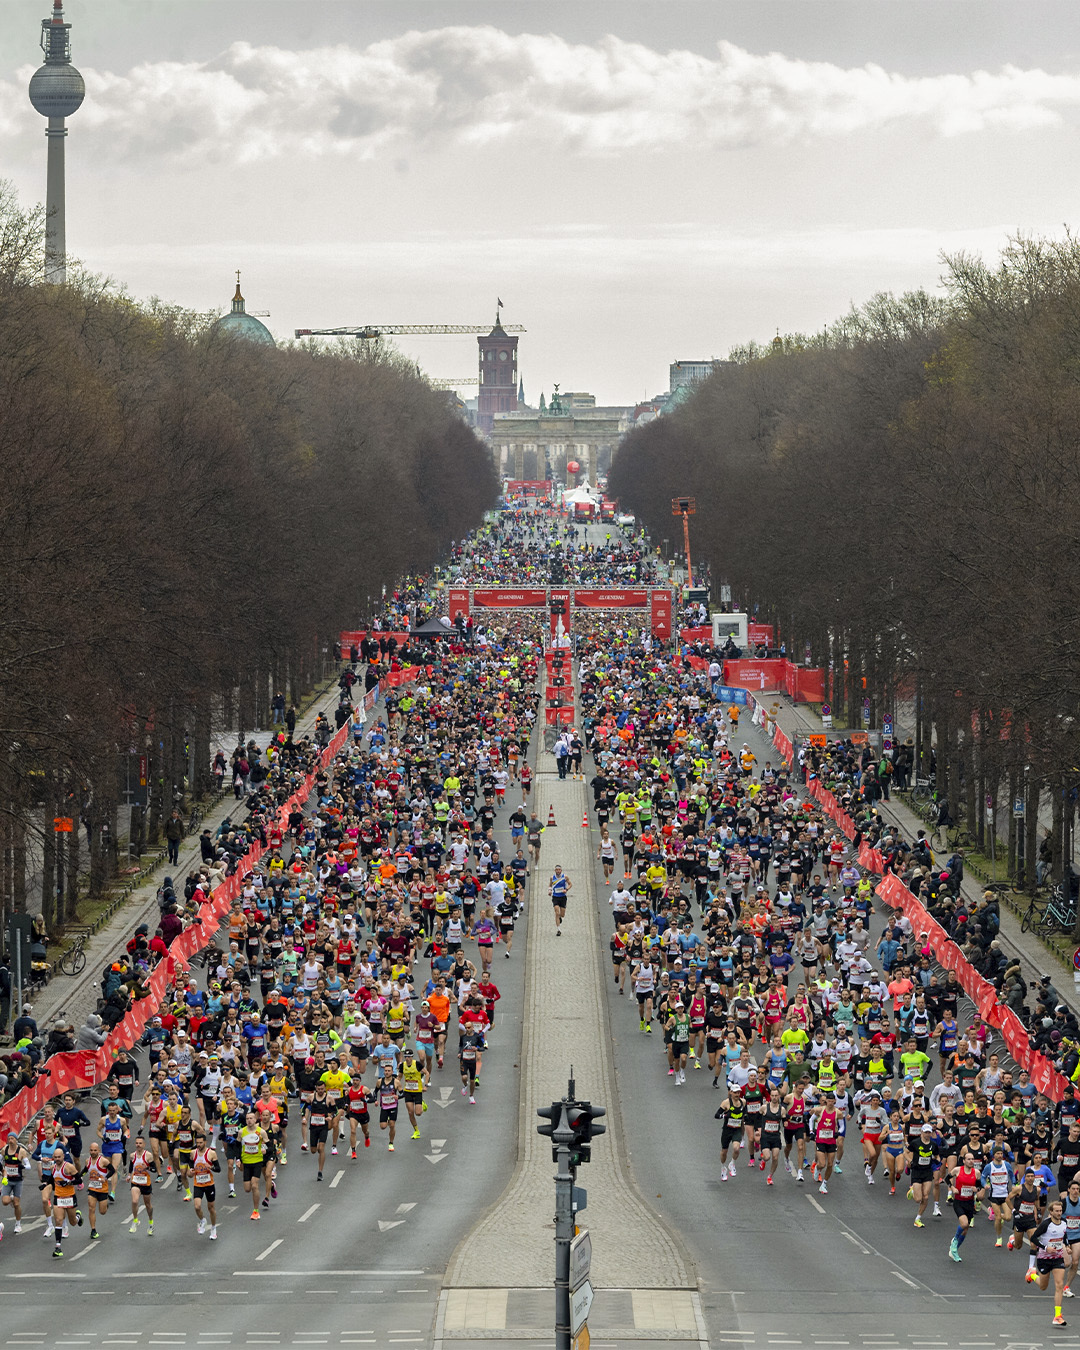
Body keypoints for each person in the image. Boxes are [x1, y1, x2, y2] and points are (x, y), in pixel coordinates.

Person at [549, 865, 571, 935]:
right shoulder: (552, 878)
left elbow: (570, 884)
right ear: (555, 870)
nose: (558, 871)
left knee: (562, 914)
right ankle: (558, 930)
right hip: (555, 896)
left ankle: (559, 917)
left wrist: (566, 889)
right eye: (557, 870)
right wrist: (549, 891)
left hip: (563, 897)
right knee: (556, 911)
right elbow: (550, 885)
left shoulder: (565, 877)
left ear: (561, 870)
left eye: (559, 870)